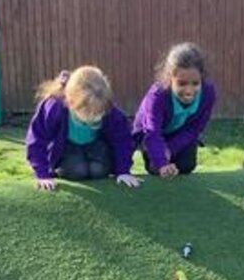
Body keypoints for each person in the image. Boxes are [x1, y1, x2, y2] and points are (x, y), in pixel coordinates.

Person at [24, 67, 141, 191]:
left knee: (98, 170)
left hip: (96, 146)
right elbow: (37, 139)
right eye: (87, 115)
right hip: (67, 148)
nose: (93, 119)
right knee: (78, 170)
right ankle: (64, 168)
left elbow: (122, 140)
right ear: (71, 103)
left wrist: (123, 171)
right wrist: (42, 174)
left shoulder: (110, 111)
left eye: (97, 114)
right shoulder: (54, 107)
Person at [131, 42, 216, 178]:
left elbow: (195, 128)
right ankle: (155, 163)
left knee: (186, 165)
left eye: (195, 83)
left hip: (178, 132)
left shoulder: (208, 94)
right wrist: (161, 162)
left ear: (202, 77)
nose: (189, 91)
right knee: (156, 168)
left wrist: (170, 148)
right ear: (170, 78)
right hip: (150, 134)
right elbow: (152, 132)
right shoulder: (157, 96)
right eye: (182, 83)